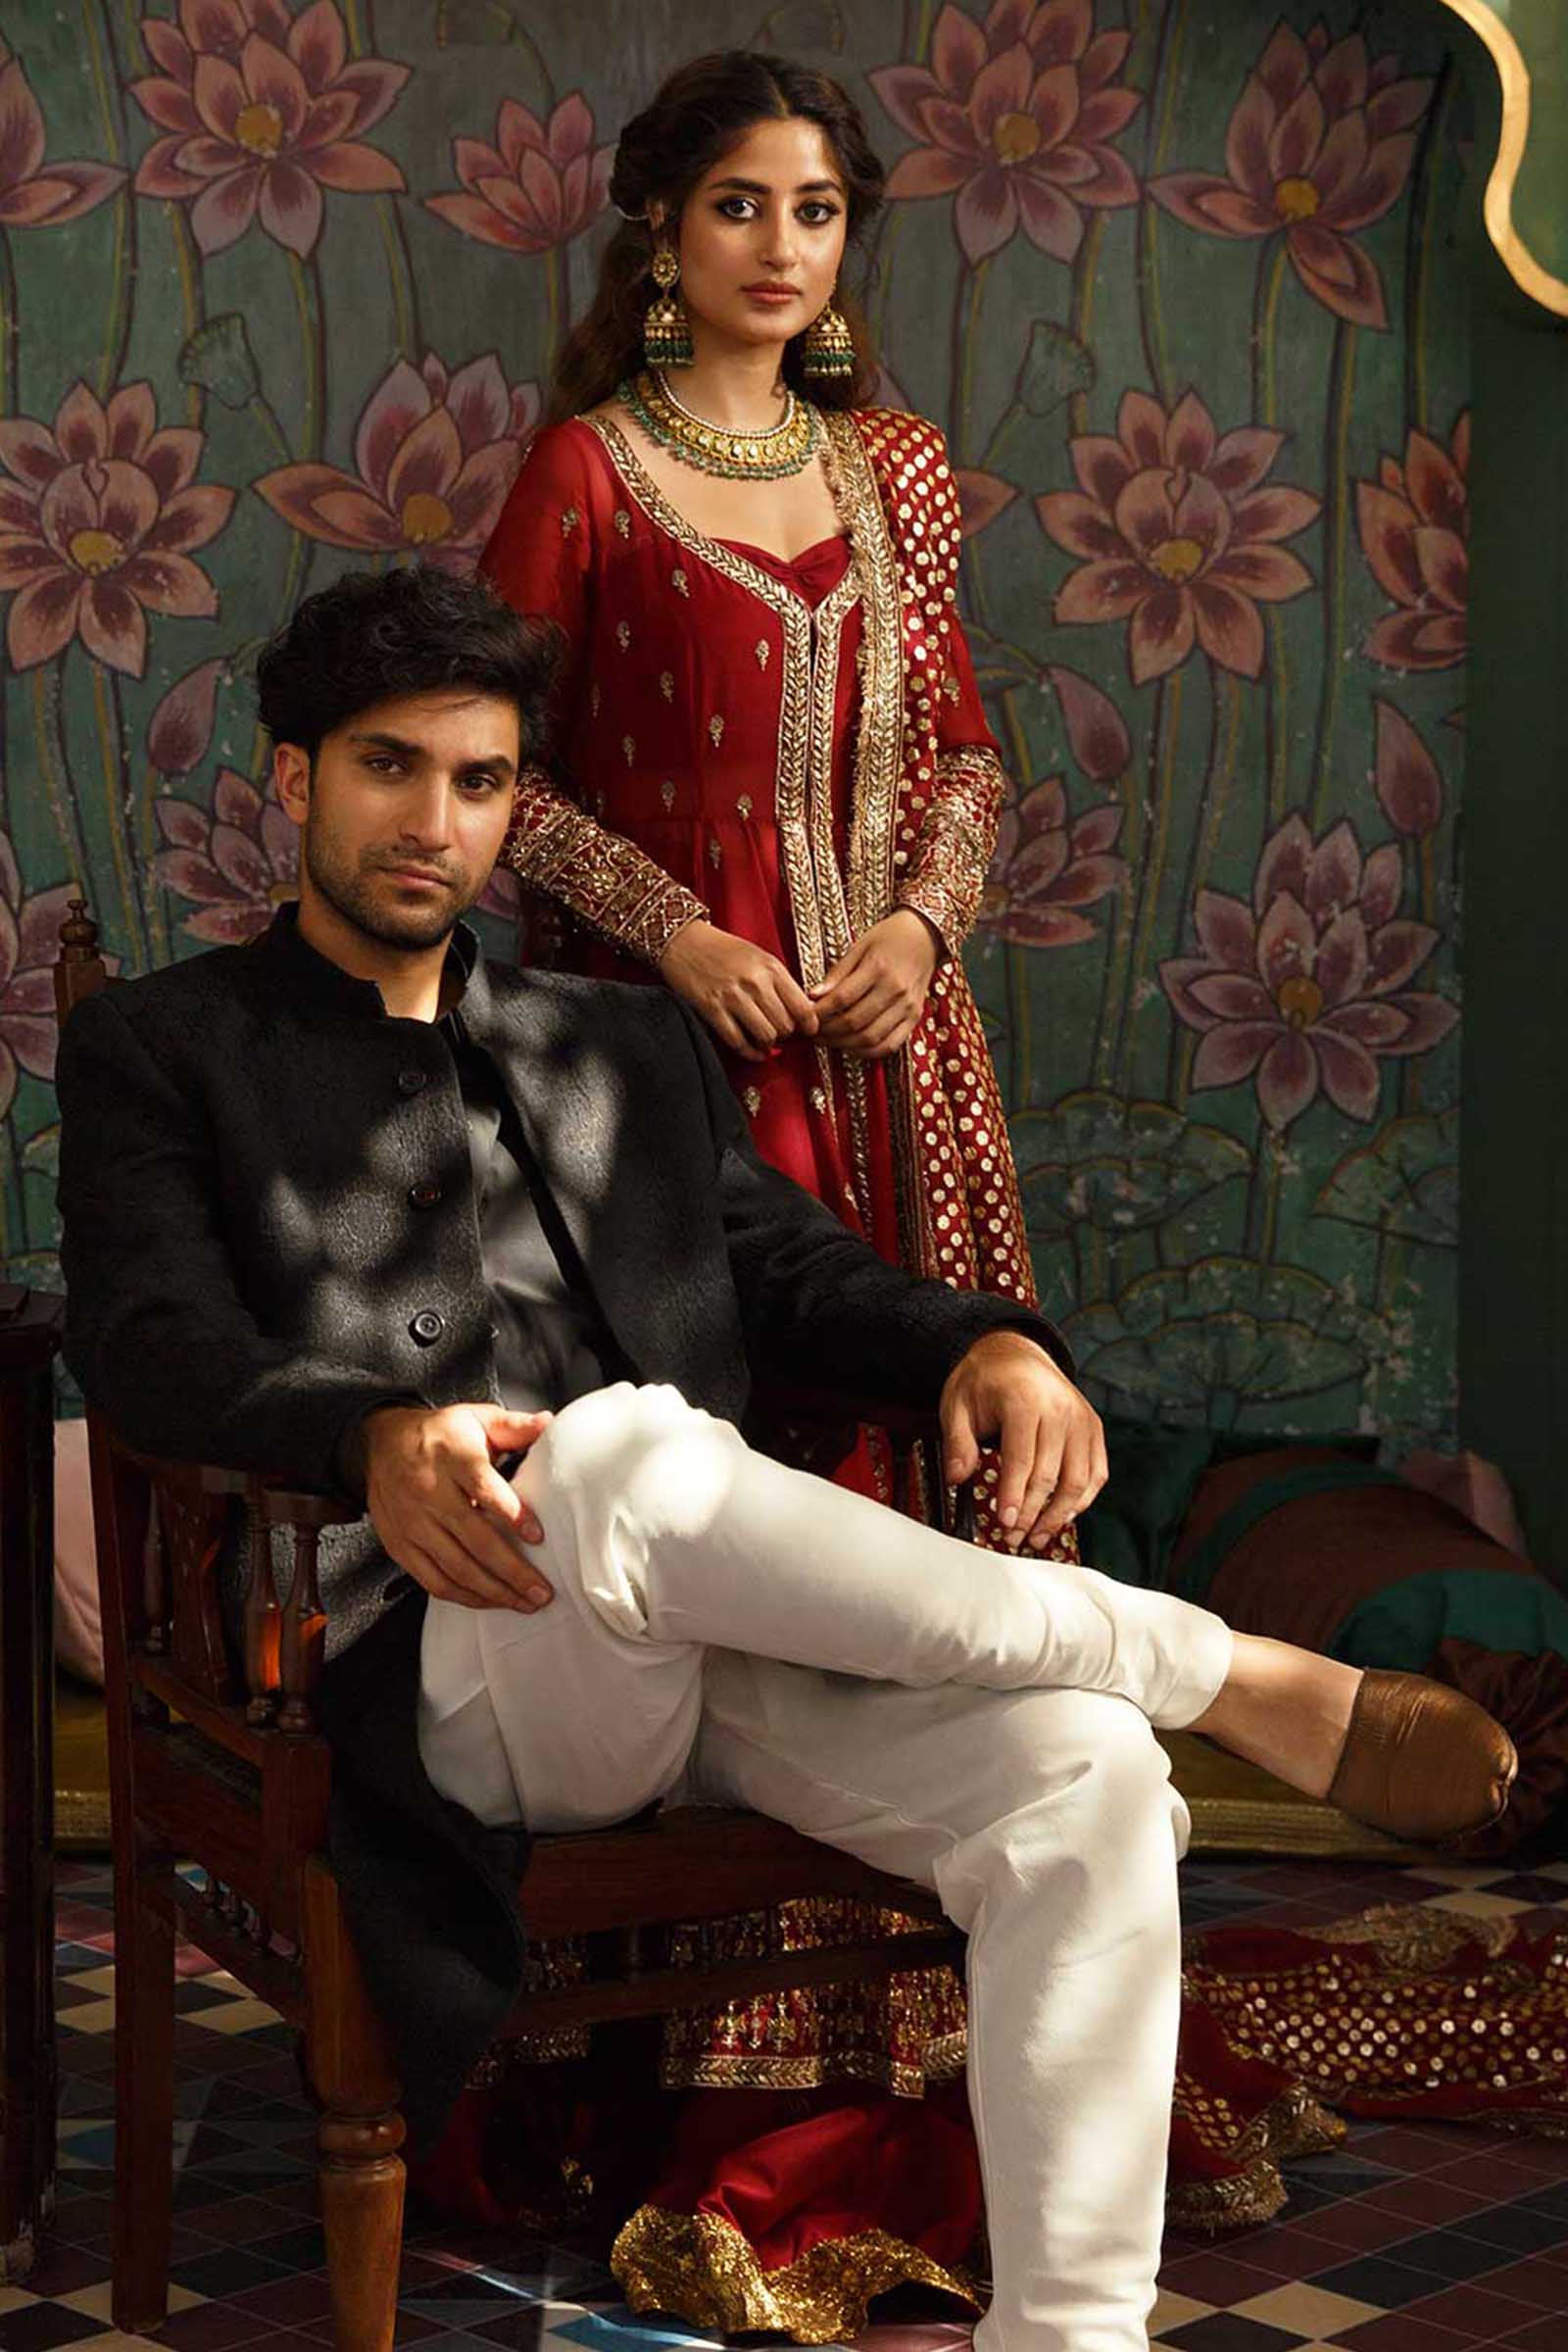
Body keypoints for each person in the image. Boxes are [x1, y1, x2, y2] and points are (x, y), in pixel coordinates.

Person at [57, 568, 1514, 2352]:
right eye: (388, 767)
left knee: (1087, 1781)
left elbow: (795, 1273)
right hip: (424, 1649)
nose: (436, 821)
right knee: (612, 1459)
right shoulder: (165, 1045)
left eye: (481, 780)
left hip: (698, 1634)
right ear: (294, 779)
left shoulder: (614, 1040)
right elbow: (152, 1345)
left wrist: (983, 1341)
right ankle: (1212, 1664)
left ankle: (1073, 2334)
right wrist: (363, 1435)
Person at [479, 50, 1036, 1540]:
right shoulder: (584, 473)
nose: (782, 246)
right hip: (664, 1029)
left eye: (817, 210)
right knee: (728, 1464)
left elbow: (964, 757)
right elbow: (495, 779)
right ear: (663, 227)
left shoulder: (898, 469)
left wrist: (921, 930)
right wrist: (678, 936)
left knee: (941, 1414)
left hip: (892, 1032)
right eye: (739, 206)